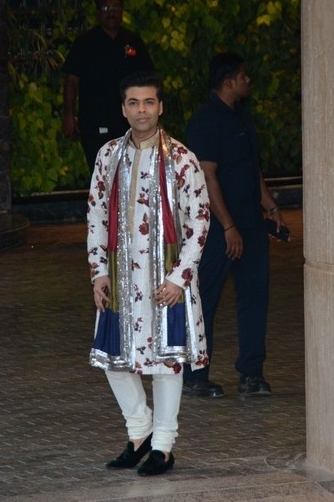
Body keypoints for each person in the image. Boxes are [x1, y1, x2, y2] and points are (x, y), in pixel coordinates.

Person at [87, 71, 210, 476]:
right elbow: (96, 215)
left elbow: (199, 222)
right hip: (121, 277)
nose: (142, 110)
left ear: (161, 107)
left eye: (149, 103)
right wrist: (98, 272)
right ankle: (138, 431)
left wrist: (179, 279)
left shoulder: (181, 158)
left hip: (165, 280)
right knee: (113, 360)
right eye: (134, 103)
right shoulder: (107, 156)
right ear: (123, 109)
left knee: (166, 361)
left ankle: (163, 445)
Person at [182, 52, 285, 398]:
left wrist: (270, 206)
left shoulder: (241, 117)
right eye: (243, 76)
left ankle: (251, 374)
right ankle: (195, 376)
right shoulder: (206, 121)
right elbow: (207, 177)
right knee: (205, 297)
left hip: (251, 223)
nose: (248, 81)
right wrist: (227, 226)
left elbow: (251, 167)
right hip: (217, 229)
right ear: (229, 81)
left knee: (255, 296)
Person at [63, 0, 154, 173]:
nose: (111, 12)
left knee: (132, 174)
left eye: (115, 8)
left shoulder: (132, 41)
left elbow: (149, 80)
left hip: (130, 122)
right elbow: (71, 81)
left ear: (121, 11)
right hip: (95, 122)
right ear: (98, 13)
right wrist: (68, 115)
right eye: (106, 8)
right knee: (103, 176)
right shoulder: (85, 43)